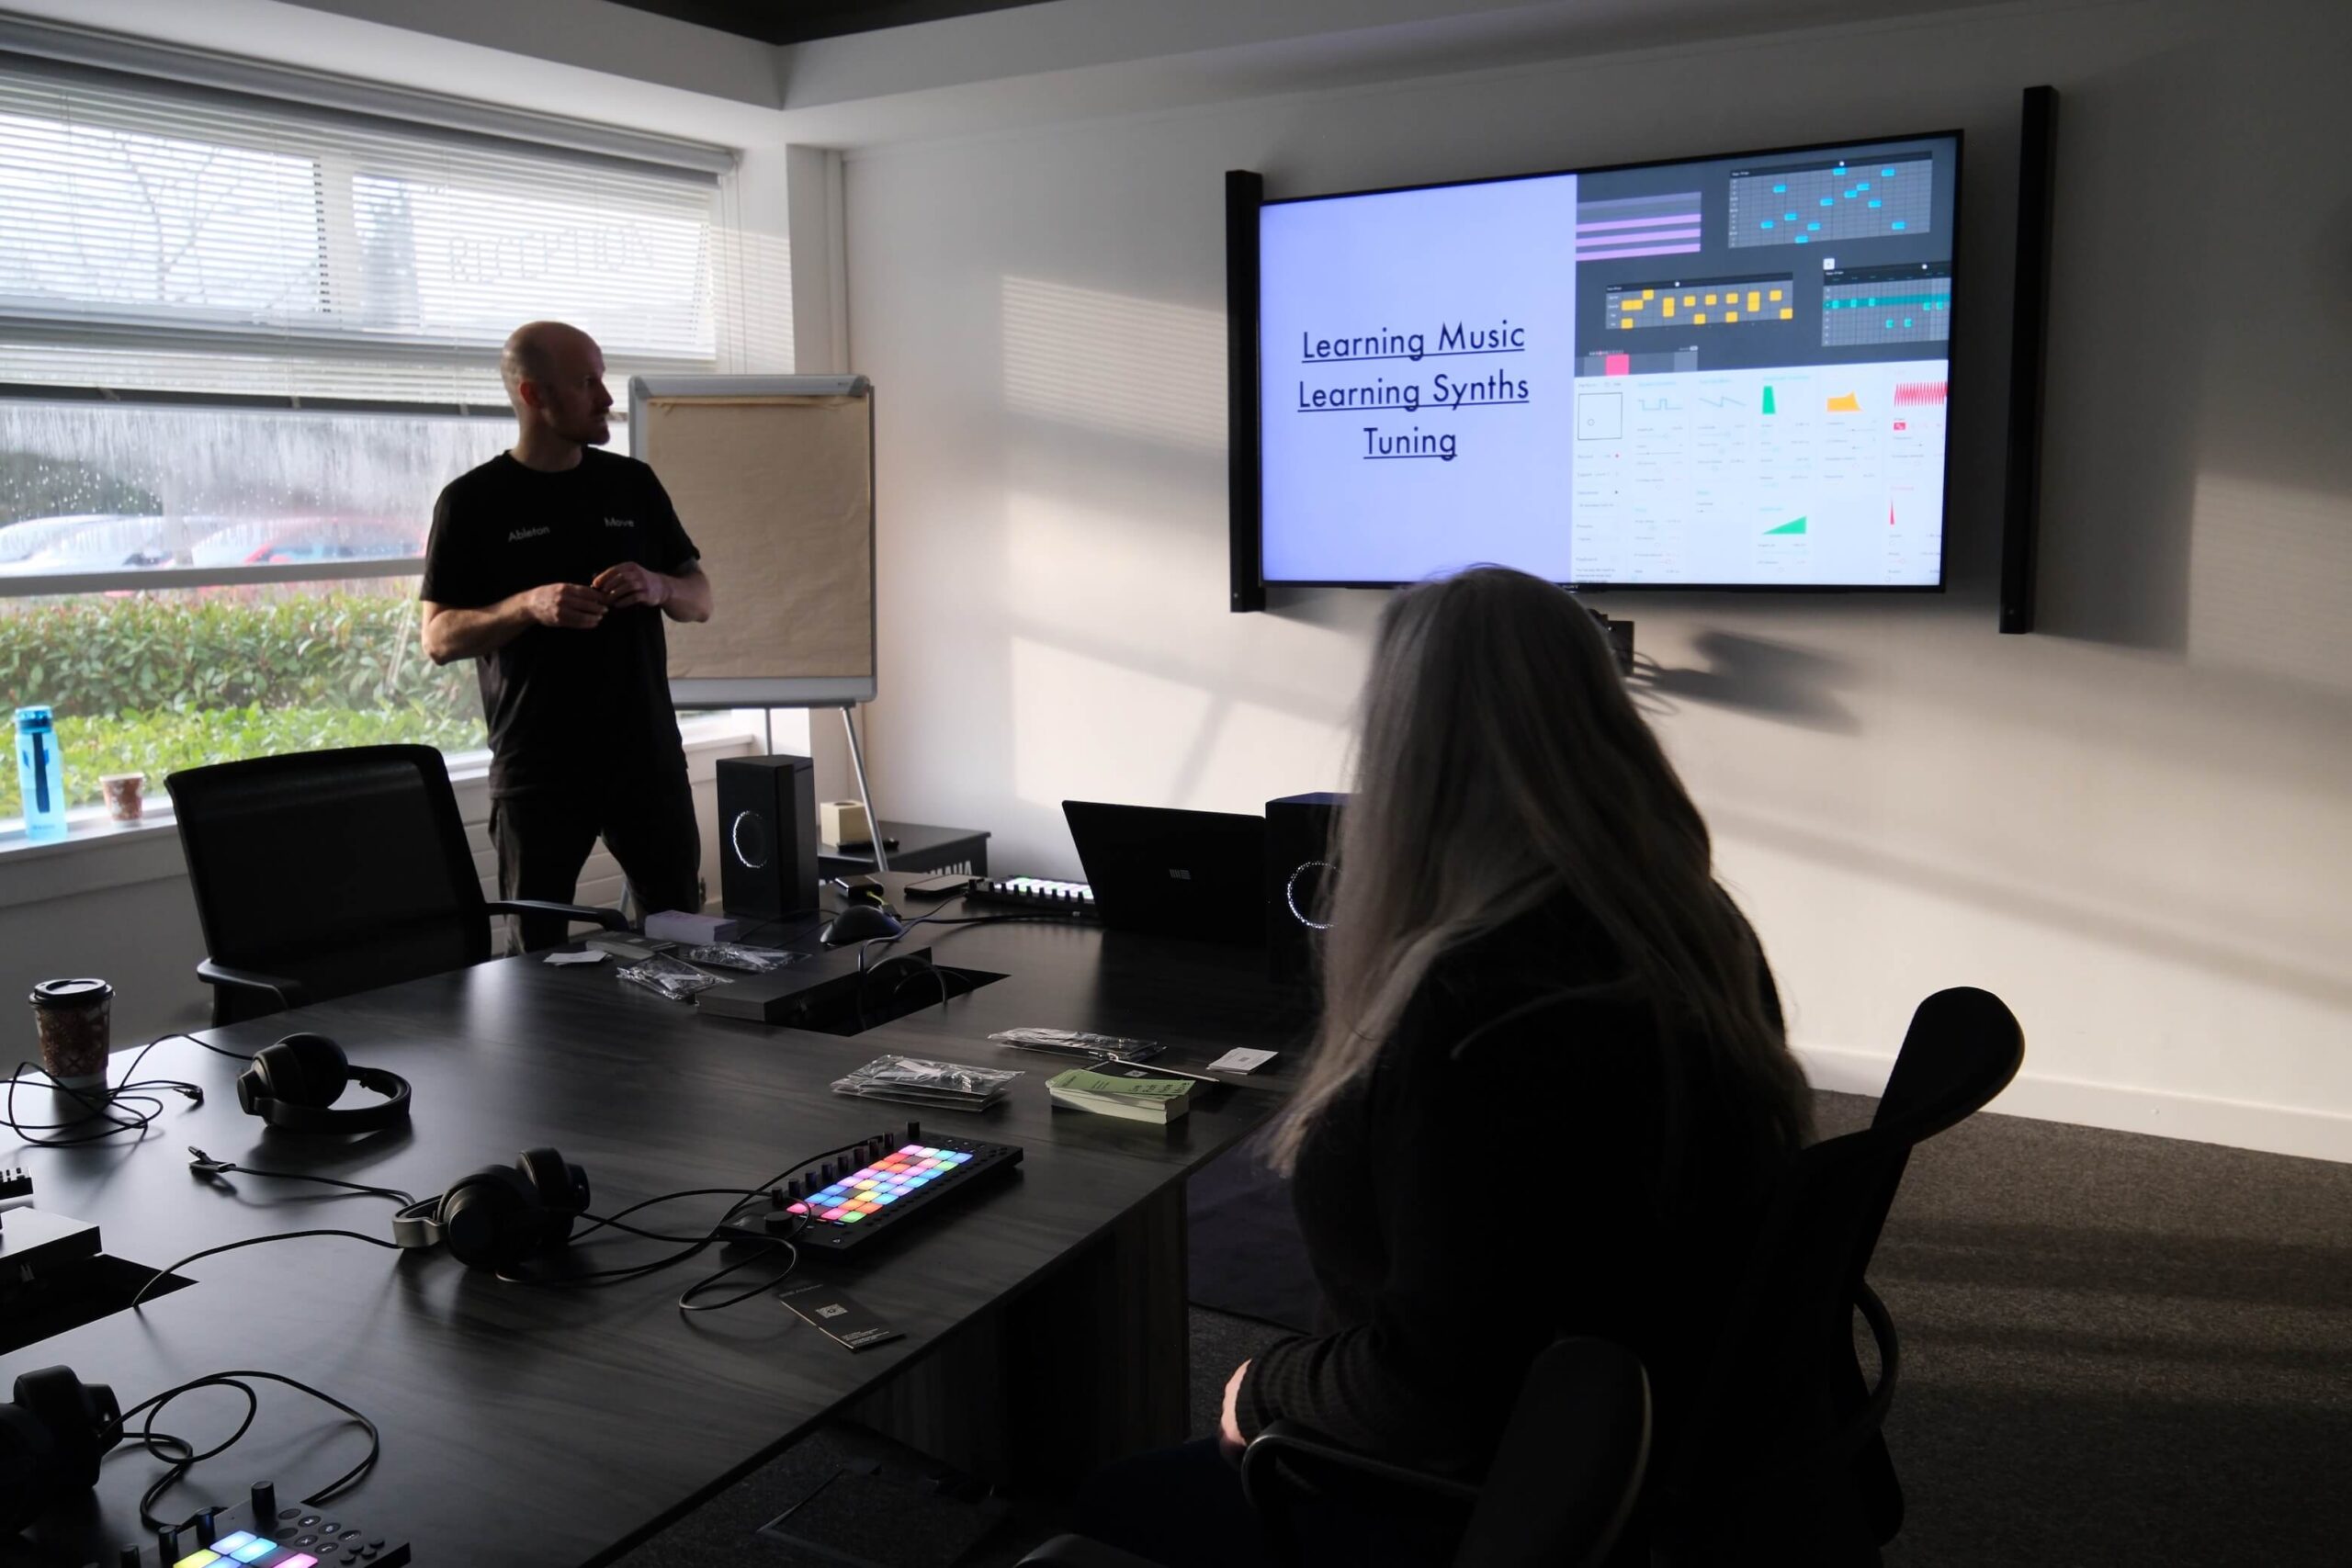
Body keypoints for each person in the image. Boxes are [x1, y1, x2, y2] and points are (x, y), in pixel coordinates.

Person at [1073, 567, 1814, 1566]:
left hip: (1496, 1491)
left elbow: (1430, 1393)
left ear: (1405, 750)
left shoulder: (1477, 1013)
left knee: (1106, 1507)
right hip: (1656, 1436)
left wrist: (1264, 1387)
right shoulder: (1690, 925)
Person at [420, 321, 714, 952]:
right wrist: (528, 605)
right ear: (534, 395)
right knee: (534, 955)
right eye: (587, 383)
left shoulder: (633, 484)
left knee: (683, 940)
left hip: (646, 759)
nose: (606, 398)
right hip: (538, 770)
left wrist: (659, 586)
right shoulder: (471, 502)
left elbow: (700, 598)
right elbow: (438, 637)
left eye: (601, 379)